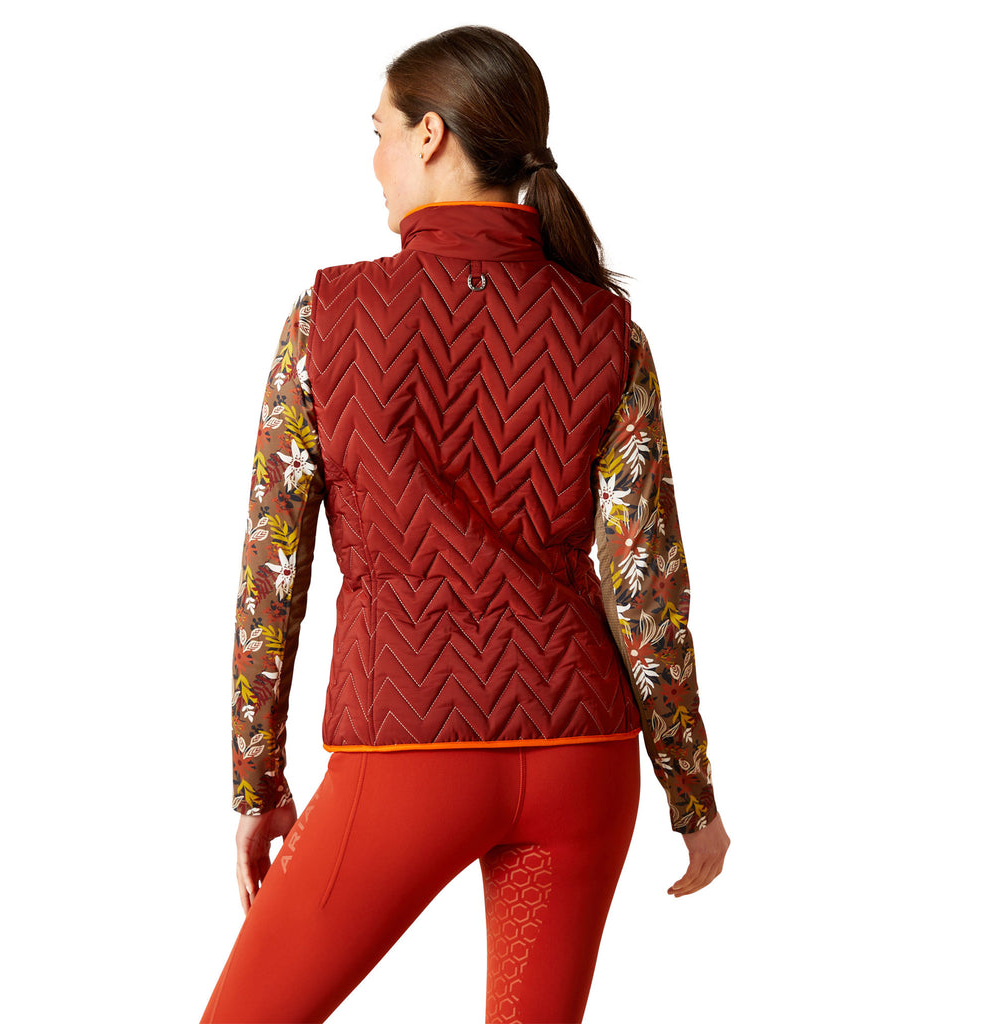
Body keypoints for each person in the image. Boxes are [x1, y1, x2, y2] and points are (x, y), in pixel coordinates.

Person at [200, 24, 729, 1024]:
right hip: (583, 754)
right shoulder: (607, 330)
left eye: (379, 132)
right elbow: (648, 585)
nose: (375, 161)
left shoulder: (328, 318)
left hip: (407, 748)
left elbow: (273, 573)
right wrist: (689, 792)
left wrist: (257, 782)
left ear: (431, 134)